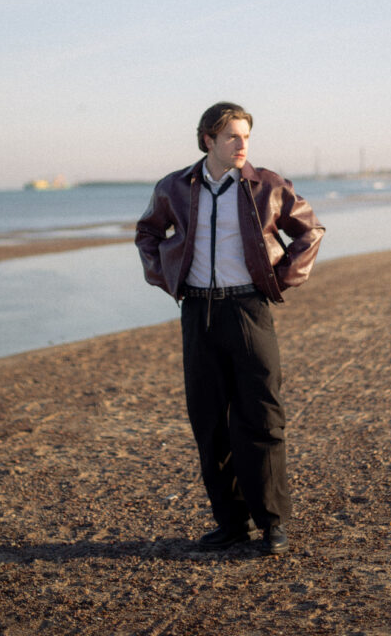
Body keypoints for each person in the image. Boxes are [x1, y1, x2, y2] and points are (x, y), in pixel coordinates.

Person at [135, 101, 325, 554]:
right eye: (232, 137)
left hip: (248, 308)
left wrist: (279, 280)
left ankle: (272, 523)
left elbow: (309, 231)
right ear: (208, 140)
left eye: (246, 137)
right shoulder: (175, 187)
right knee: (209, 422)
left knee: (262, 416)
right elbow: (147, 234)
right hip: (197, 312)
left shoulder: (268, 186)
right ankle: (231, 524)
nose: (242, 145)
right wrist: (168, 277)